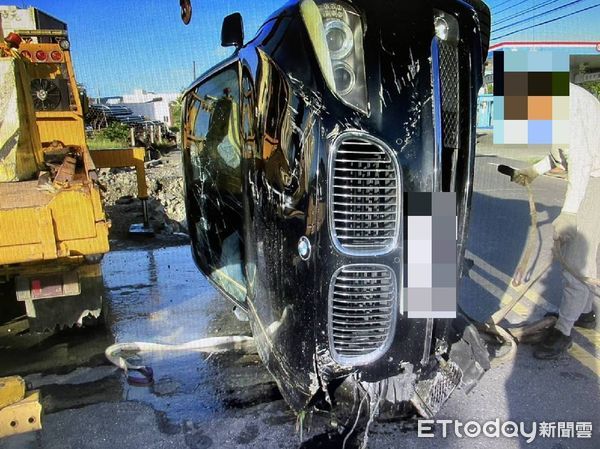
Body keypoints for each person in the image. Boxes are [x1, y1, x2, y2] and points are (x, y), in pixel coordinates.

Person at [512, 83, 600, 359]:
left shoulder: (566, 100)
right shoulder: (555, 97)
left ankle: (562, 332)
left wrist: (570, 212)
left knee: (575, 259)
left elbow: (582, 161)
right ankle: (584, 313)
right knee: (585, 257)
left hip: (596, 179)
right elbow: (561, 154)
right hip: (592, 174)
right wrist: (534, 170)